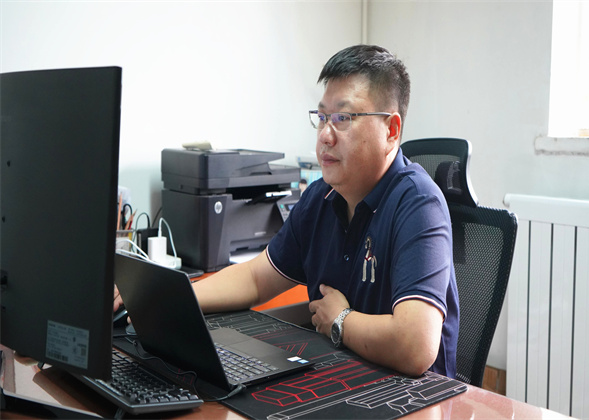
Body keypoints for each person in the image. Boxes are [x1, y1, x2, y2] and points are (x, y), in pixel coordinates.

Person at [116, 45, 458, 378]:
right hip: (342, 374)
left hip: (412, 398)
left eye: (342, 118)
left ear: (391, 131)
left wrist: (340, 320)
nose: (325, 135)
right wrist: (165, 297)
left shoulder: (418, 203)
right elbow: (255, 279)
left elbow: (416, 346)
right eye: (322, 118)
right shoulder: (320, 197)